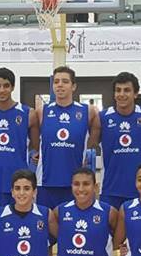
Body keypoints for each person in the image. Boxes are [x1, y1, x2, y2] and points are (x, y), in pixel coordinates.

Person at [35, 65, 99, 210]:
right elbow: (34, 141)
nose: (60, 85)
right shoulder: (42, 111)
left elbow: (93, 140)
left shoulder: (88, 112)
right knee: (47, 223)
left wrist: (83, 153)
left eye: (65, 81)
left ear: (73, 86)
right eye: (56, 81)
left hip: (76, 184)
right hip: (45, 181)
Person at [99, 71, 141, 209]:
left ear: (136, 93)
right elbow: (91, 143)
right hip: (110, 189)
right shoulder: (102, 117)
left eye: (127, 90)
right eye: (118, 90)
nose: (122, 94)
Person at [0, 67, 39, 207]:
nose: (1, 90)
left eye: (6, 86)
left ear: (13, 87)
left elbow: (35, 146)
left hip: (19, 182)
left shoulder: (28, 113)